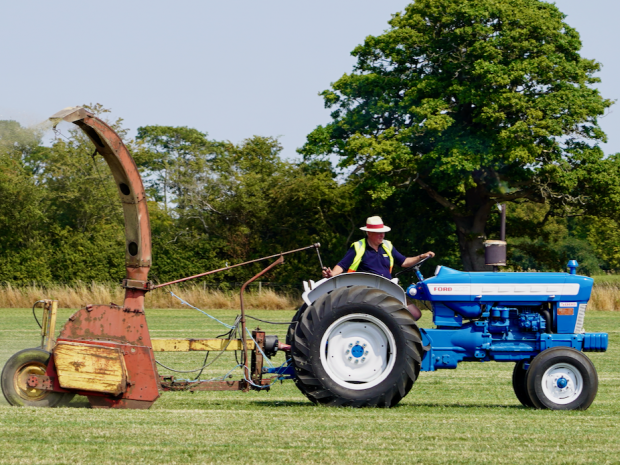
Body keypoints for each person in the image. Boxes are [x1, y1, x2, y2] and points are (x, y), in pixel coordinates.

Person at [322, 216, 434, 320]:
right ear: (369, 233)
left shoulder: (387, 246)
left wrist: (420, 257)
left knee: (415, 314)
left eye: (383, 233)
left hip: (388, 288)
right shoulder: (358, 247)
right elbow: (342, 265)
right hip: (368, 292)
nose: (382, 235)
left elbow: (404, 261)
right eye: (378, 233)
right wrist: (332, 274)